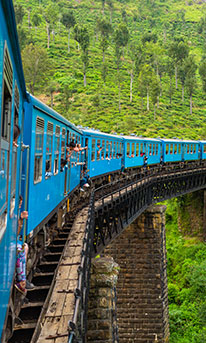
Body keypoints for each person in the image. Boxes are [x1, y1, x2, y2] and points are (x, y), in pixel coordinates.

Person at [15, 196, 34, 295]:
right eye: (19, 204)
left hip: (13, 240)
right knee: (21, 249)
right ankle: (21, 281)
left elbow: (16, 234)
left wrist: (21, 220)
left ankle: (22, 278)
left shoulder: (16, 213)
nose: (20, 206)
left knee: (24, 247)